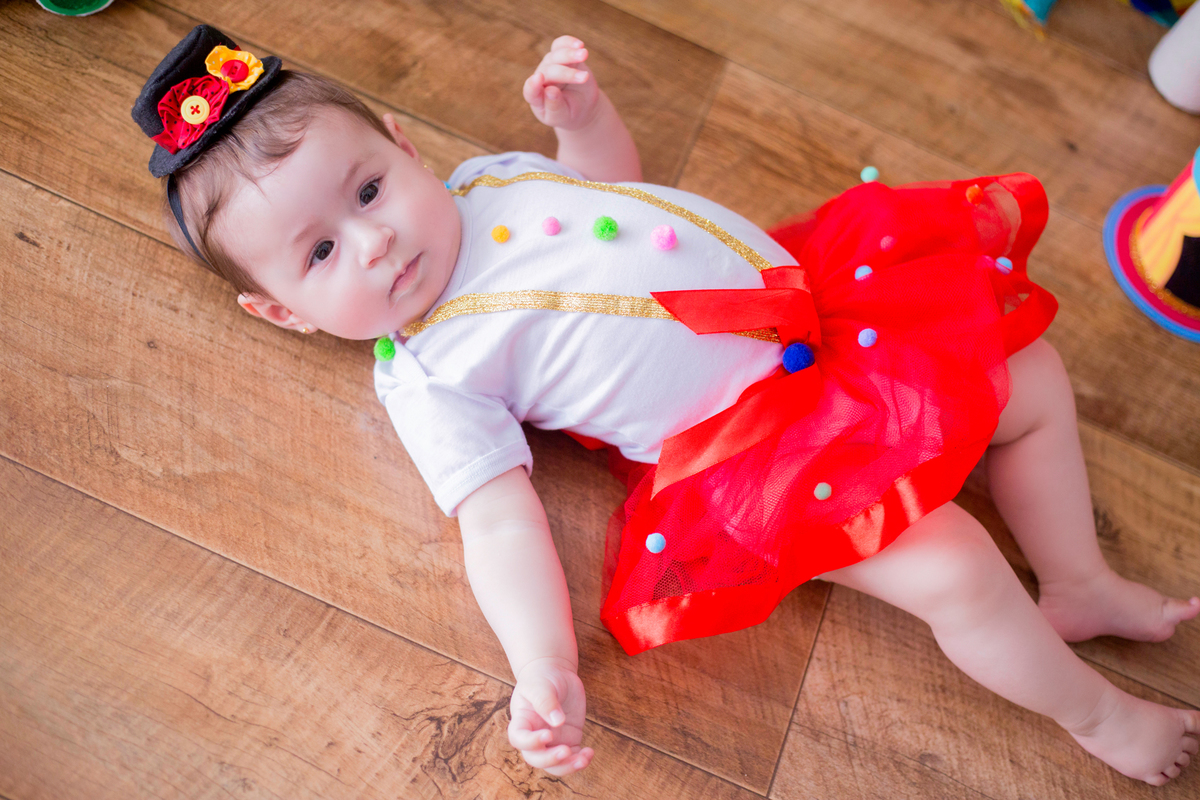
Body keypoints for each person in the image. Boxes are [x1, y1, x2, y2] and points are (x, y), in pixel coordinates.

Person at [133, 25, 1200, 785]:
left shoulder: (486, 182)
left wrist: (585, 122)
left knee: (1036, 373)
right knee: (955, 564)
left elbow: (612, 187)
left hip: (826, 309)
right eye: (323, 252)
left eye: (367, 190)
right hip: (769, 445)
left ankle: (1076, 579)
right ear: (283, 310)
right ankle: (1097, 715)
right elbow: (498, 521)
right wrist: (541, 663)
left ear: (406, 149)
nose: (376, 239)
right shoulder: (428, 370)